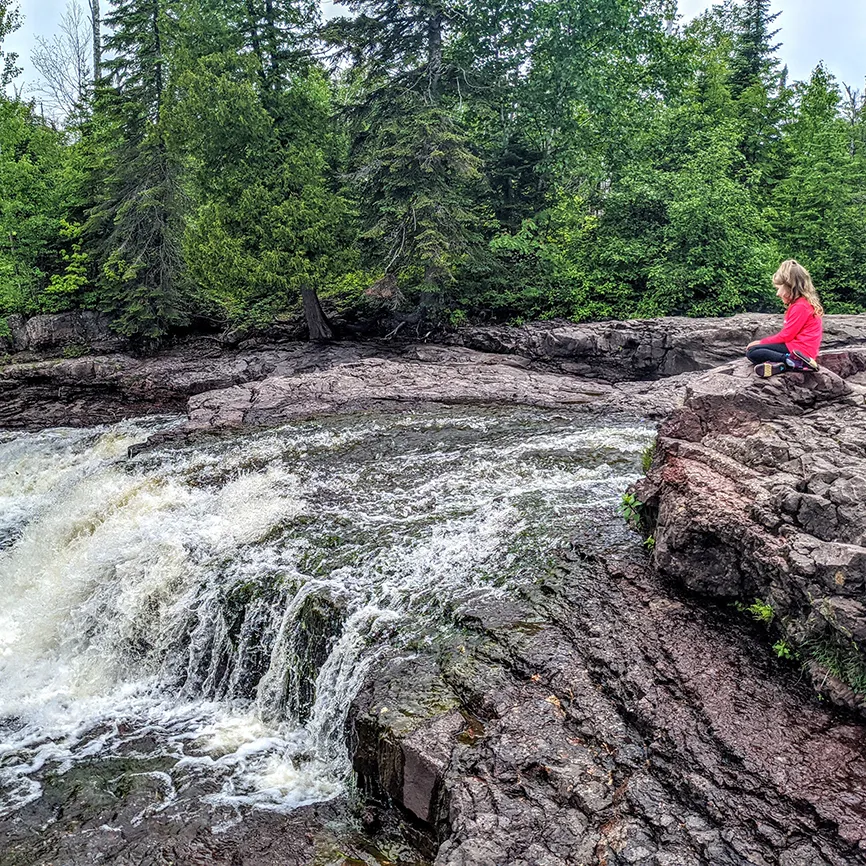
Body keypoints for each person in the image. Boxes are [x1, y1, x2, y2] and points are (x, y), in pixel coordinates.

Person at [746, 260, 824, 378]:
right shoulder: (799, 304)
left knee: (753, 351)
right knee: (756, 351)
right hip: (797, 349)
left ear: (791, 287)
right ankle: (781, 366)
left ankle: (793, 361)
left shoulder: (801, 306)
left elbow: (786, 336)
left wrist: (761, 342)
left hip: (799, 351)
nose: (777, 293)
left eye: (780, 288)